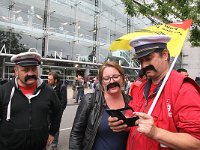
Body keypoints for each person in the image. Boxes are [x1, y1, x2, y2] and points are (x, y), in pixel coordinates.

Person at [108, 35, 200, 150]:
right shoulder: (140, 88)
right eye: (141, 61)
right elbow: (135, 122)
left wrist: (157, 133)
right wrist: (123, 123)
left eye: (148, 59)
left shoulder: (184, 89)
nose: (144, 65)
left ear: (165, 55)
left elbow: (197, 142)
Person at [0, 51, 62, 150]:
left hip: (39, 146)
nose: (31, 73)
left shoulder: (48, 91)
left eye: (34, 69)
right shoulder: (3, 91)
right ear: (16, 71)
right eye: (25, 70)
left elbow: (58, 110)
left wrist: (52, 132)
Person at [69, 61, 132, 150]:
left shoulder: (132, 102)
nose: (112, 81)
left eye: (115, 76)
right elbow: (76, 134)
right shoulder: (90, 100)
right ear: (101, 82)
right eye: (106, 78)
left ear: (123, 78)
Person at [48, 71, 67, 149]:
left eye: (50, 79)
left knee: (55, 126)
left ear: (55, 80)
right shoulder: (48, 86)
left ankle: (54, 143)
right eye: (48, 79)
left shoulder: (62, 87)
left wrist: (59, 112)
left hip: (57, 112)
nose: (48, 81)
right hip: (49, 111)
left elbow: (64, 102)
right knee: (47, 126)